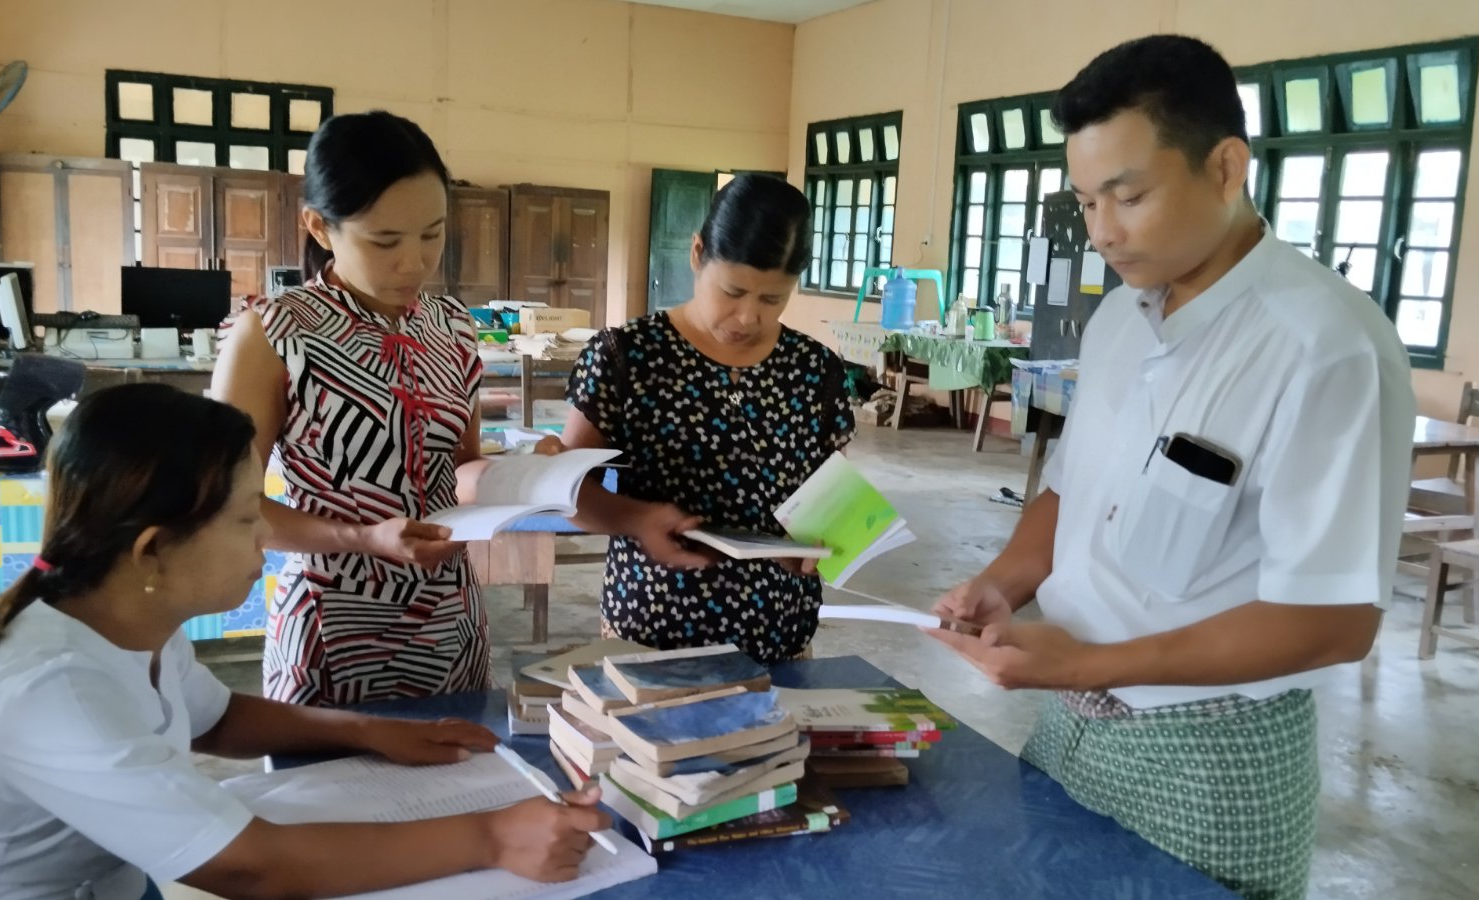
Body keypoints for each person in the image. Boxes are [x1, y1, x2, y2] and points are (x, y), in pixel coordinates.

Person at [926, 36, 1414, 900]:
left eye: (1130, 197)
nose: (1102, 232)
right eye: (1086, 202)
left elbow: (1335, 620)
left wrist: (1082, 663)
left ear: (1225, 167)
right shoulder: (1120, 319)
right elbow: (1072, 487)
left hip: (1212, 756)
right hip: (1070, 728)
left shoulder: (1327, 346)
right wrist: (1004, 582)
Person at [0, 385, 609, 900]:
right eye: (246, 517)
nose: (265, 538)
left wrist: (369, 730)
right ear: (153, 551)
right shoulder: (55, 689)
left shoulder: (125, 619)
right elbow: (254, 867)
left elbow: (217, 718)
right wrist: (493, 836)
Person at [213, 110, 496, 706]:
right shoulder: (274, 333)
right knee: (336, 770)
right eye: (384, 241)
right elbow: (225, 503)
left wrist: (525, 477)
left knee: (456, 763)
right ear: (319, 227)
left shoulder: (453, 326)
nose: (414, 262)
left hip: (449, 621)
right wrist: (364, 537)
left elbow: (461, 468)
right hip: (333, 628)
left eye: (432, 234)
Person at [563, 174, 854, 663]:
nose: (747, 317)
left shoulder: (816, 369)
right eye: (732, 291)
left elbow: (834, 494)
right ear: (698, 253)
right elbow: (567, 493)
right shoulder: (628, 356)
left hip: (780, 638)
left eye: (772, 299)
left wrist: (824, 538)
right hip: (653, 633)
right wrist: (637, 520)